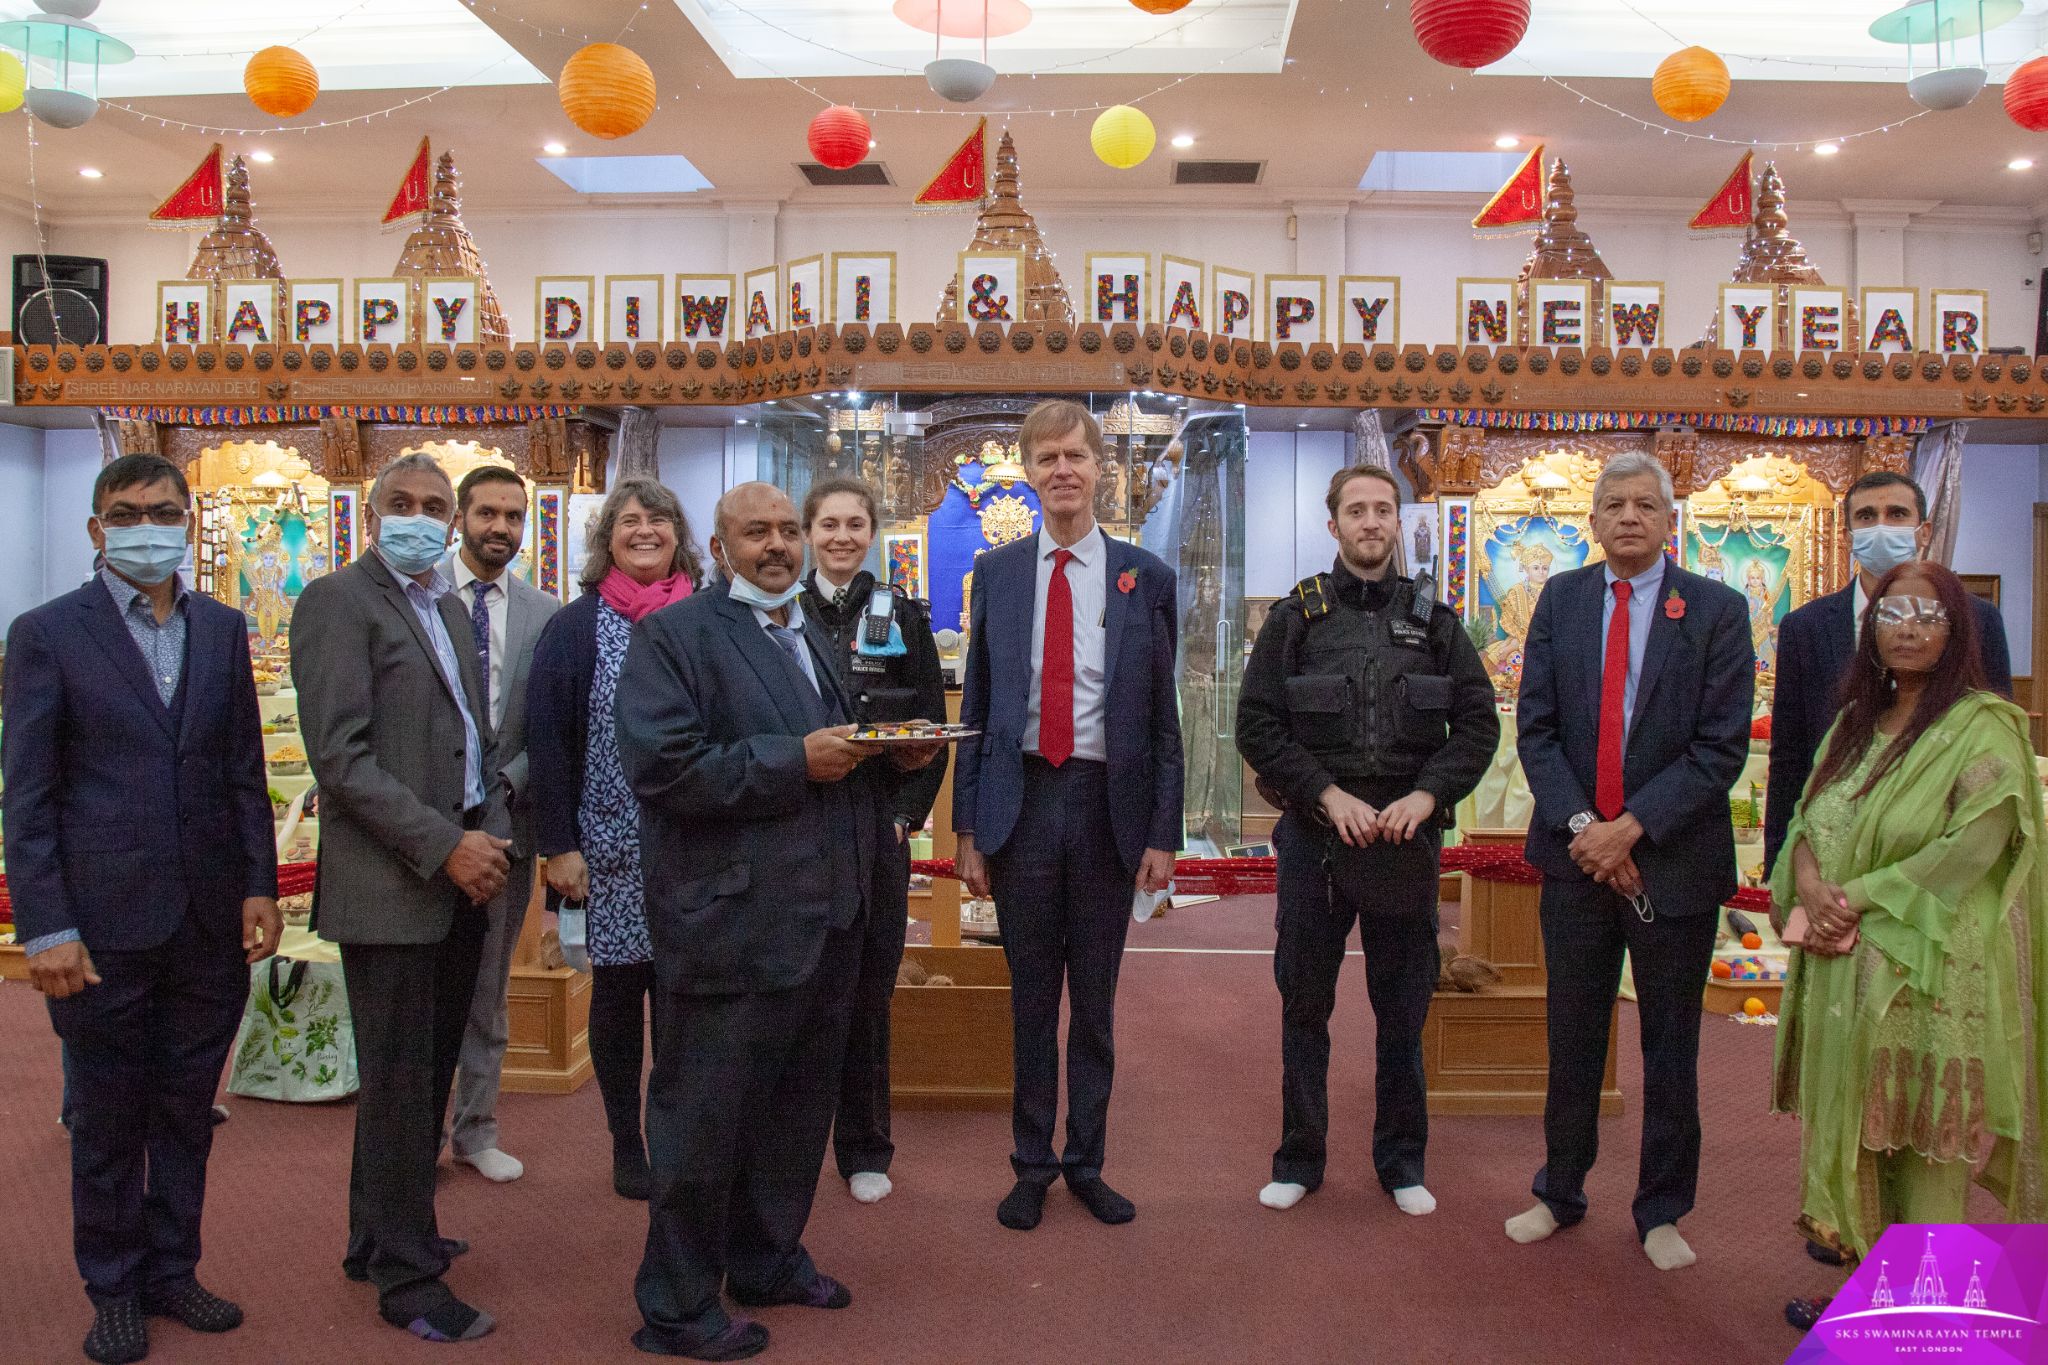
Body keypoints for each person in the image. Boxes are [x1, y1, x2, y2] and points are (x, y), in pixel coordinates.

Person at [617, 481, 933, 1361]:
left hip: (825, 919)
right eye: (756, 532)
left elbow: (834, 753)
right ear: (716, 548)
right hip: (727, 924)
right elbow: (665, 769)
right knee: (703, 1120)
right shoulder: (673, 637)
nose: (779, 545)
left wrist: (887, 755)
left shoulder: (808, 633)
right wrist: (794, 759)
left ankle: (764, 1257)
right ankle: (677, 1304)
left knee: (795, 1112)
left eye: (788, 530)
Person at [3, 453, 280, 1365]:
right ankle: (112, 1286)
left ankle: (172, 1267)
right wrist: (46, 925)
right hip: (97, 927)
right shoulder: (46, 634)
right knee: (109, 1117)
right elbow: (30, 796)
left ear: (188, 522)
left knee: (186, 1110)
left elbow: (243, 771)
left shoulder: (224, 626)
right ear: (96, 530)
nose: (147, 526)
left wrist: (259, 884)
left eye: (164, 510)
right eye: (127, 513)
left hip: (206, 921)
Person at [1772, 560, 2048, 1329]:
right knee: (1865, 1135)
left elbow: (1974, 846)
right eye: (1894, 613)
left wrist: (1850, 896)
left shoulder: (1985, 724)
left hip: (1929, 973)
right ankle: (1875, 1293)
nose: (1910, 627)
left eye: (1930, 614)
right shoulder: (1855, 719)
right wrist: (1808, 877)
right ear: (1872, 629)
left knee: (1925, 1148)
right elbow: (1805, 816)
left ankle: (1933, 1325)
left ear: (1958, 630)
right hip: (1844, 964)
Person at [1507, 450, 1755, 1271]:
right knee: (1572, 1034)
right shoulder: (1562, 599)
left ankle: (1661, 1210)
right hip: (1577, 858)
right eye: (1612, 503)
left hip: (1672, 863)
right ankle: (1560, 1189)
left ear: (1669, 520)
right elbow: (1535, 729)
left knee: (1671, 1045)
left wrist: (1632, 828)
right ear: (1593, 521)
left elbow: (1719, 749)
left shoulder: (1716, 609)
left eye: (1645, 503)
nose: (1628, 516)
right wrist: (1589, 826)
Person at [1237, 464, 1498, 1217]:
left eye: (1383, 509)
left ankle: (1402, 1160)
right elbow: (1257, 722)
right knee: (1304, 1005)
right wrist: (1323, 792)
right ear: (1335, 525)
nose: (1372, 522)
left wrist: (1429, 793)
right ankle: (1299, 1157)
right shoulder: (1298, 619)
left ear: (1397, 521)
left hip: (1404, 843)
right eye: (1357, 510)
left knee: (1402, 1008)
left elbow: (1478, 724)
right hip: (1319, 842)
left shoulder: (1437, 621)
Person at [291, 452, 511, 1345]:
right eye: (402, 503)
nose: (418, 517)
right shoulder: (338, 601)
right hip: (394, 878)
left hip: (464, 868)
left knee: (425, 1073)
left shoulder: (448, 608)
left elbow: (477, 742)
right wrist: (444, 845)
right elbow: (340, 762)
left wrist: (486, 835)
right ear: (372, 513)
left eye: (433, 505)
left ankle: (378, 1231)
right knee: (396, 1080)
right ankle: (408, 1279)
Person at [955, 400, 1186, 1232]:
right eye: (1046, 457)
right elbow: (978, 708)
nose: (1062, 470)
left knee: (1094, 1000)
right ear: (1028, 470)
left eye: (1075, 456)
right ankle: (1031, 1164)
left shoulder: (1144, 577)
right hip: (1019, 800)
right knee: (1028, 999)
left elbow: (1164, 718)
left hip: (1105, 807)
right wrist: (968, 829)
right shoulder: (999, 571)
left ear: (1099, 469)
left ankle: (1086, 1159)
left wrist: (1164, 830)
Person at [527, 478, 701, 1202]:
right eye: (628, 521)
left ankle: (679, 1135)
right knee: (621, 996)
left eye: (657, 519)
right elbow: (549, 740)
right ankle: (625, 1141)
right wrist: (558, 843)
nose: (644, 530)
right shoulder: (575, 626)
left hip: (697, 843)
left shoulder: (707, 617)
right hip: (610, 848)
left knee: (688, 999)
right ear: (607, 538)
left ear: (678, 534)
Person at [798, 476, 949, 1206]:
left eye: (855, 524)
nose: (841, 537)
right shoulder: (781, 614)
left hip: (877, 832)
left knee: (867, 992)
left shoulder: (901, 615)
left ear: (873, 532)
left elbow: (931, 728)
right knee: (795, 991)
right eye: (828, 523)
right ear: (807, 532)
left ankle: (864, 1145)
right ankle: (786, 1140)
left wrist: (903, 820)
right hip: (794, 832)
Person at [1764, 470, 2012, 874]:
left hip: (1936, 850)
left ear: (1924, 530)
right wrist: (1781, 864)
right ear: (1848, 535)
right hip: (1831, 848)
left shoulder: (1977, 620)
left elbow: (1995, 741)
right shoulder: (1805, 627)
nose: (1881, 526)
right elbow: (1790, 756)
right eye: (1865, 517)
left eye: (1896, 514)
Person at [445, 466, 560, 1185]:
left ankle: (477, 1127)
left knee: (488, 990)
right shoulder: (421, 602)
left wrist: (509, 780)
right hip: (425, 831)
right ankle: (411, 1133)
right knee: (422, 996)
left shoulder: (545, 613)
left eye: (514, 516)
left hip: (509, 824)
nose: (501, 528)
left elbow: (551, 723)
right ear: (460, 518)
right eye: (487, 512)